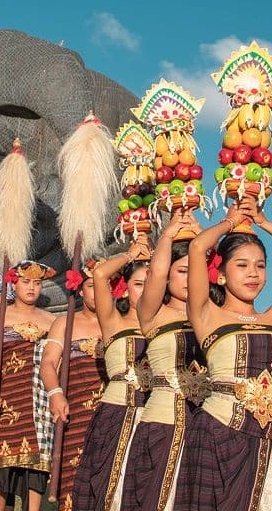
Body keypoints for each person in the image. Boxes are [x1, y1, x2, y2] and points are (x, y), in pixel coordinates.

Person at [183, 198, 272, 509]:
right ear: (221, 274)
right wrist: (230, 222)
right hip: (218, 434)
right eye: (241, 265)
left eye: (260, 265)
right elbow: (197, 248)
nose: (253, 273)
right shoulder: (207, 315)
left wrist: (264, 222)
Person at [121, 212, 206, 511]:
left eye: (196, 270)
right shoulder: (152, 314)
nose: (190, 277)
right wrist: (167, 236)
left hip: (207, 428)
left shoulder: (213, 315)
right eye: (183, 271)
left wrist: (205, 237)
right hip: (162, 425)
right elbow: (154, 275)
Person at [73, 237, 153, 511]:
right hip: (117, 413)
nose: (144, 291)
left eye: (151, 283)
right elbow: (100, 274)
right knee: (108, 487)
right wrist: (131, 255)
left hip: (156, 416)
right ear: (126, 288)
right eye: (138, 284)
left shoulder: (168, 325)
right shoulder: (113, 321)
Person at [0, 261, 56, 511]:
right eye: (26, 282)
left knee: (37, 463)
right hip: (7, 397)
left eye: (37, 282)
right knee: (1, 463)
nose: (32, 287)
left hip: (39, 400)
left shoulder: (52, 320)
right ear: (14, 283)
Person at [40, 260, 111, 511]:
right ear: (81, 291)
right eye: (92, 285)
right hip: (76, 412)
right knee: (74, 478)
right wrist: (55, 393)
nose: (99, 290)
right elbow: (48, 363)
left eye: (106, 284)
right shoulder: (63, 324)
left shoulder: (120, 321)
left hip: (115, 412)